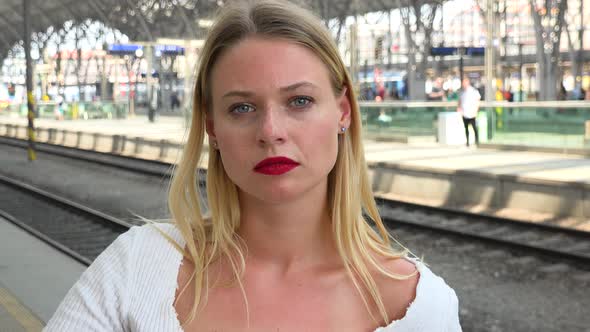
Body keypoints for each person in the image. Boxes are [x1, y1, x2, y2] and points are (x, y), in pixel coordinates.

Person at [44, 1, 461, 331]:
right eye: (241, 107)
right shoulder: (137, 267)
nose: (270, 131)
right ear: (212, 129)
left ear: (343, 112)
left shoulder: (422, 308)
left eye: (299, 101)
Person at [457, 78, 481, 147]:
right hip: (465, 113)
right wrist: (459, 109)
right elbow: (460, 101)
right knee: (466, 128)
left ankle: (477, 141)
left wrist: (476, 110)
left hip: (472, 112)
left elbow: (477, 101)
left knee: (474, 127)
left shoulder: (473, 91)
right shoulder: (462, 92)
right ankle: (467, 142)